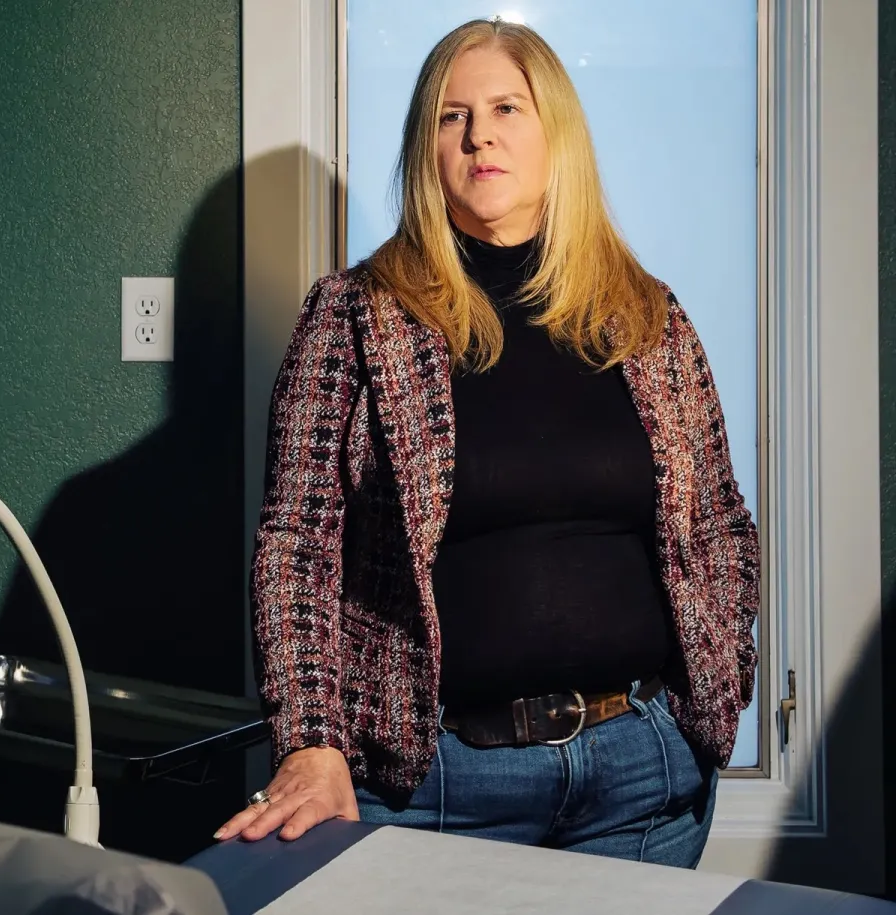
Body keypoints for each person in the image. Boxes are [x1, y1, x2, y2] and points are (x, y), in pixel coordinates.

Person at [216, 17, 759, 868]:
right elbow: (295, 547)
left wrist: (717, 692)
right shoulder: (356, 316)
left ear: (555, 135)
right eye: (450, 115)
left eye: (507, 107)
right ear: (426, 147)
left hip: (644, 778)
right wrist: (311, 740)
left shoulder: (650, 317)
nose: (479, 135)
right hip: (439, 786)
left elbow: (721, 523)